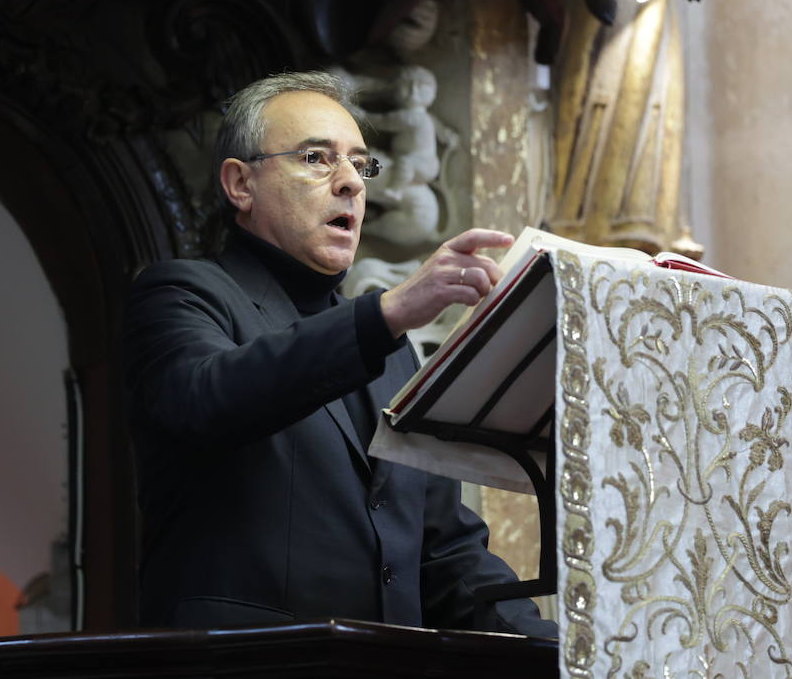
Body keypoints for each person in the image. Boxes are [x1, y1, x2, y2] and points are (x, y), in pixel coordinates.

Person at [123, 71, 555, 635]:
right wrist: (386, 315)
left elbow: (445, 552)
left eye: (361, 163)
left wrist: (563, 656)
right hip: (245, 663)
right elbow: (206, 397)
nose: (351, 181)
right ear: (240, 184)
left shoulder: (394, 356)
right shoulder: (183, 292)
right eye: (317, 158)